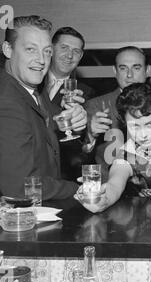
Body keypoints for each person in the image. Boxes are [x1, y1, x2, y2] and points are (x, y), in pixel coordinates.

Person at [0, 15, 87, 200]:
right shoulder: (6, 101)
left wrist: (73, 122)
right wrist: (80, 190)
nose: (41, 60)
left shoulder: (35, 90)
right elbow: (19, 187)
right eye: (31, 49)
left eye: (47, 51)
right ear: (8, 49)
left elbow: (43, 133)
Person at [75, 82, 151, 213]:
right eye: (135, 126)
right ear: (125, 124)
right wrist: (104, 200)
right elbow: (114, 184)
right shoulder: (126, 156)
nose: (143, 134)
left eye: (150, 124)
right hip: (143, 224)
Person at [84, 46, 150, 179]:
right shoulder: (96, 106)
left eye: (136, 68)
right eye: (123, 68)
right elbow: (78, 155)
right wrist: (90, 135)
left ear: (147, 70)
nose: (129, 75)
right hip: (108, 188)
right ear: (115, 71)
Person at [43, 26, 96, 182]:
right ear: (51, 49)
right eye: (64, 48)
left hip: (62, 177)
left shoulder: (86, 94)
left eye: (76, 51)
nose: (70, 55)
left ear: (81, 56)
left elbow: (82, 151)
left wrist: (87, 132)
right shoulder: (32, 81)